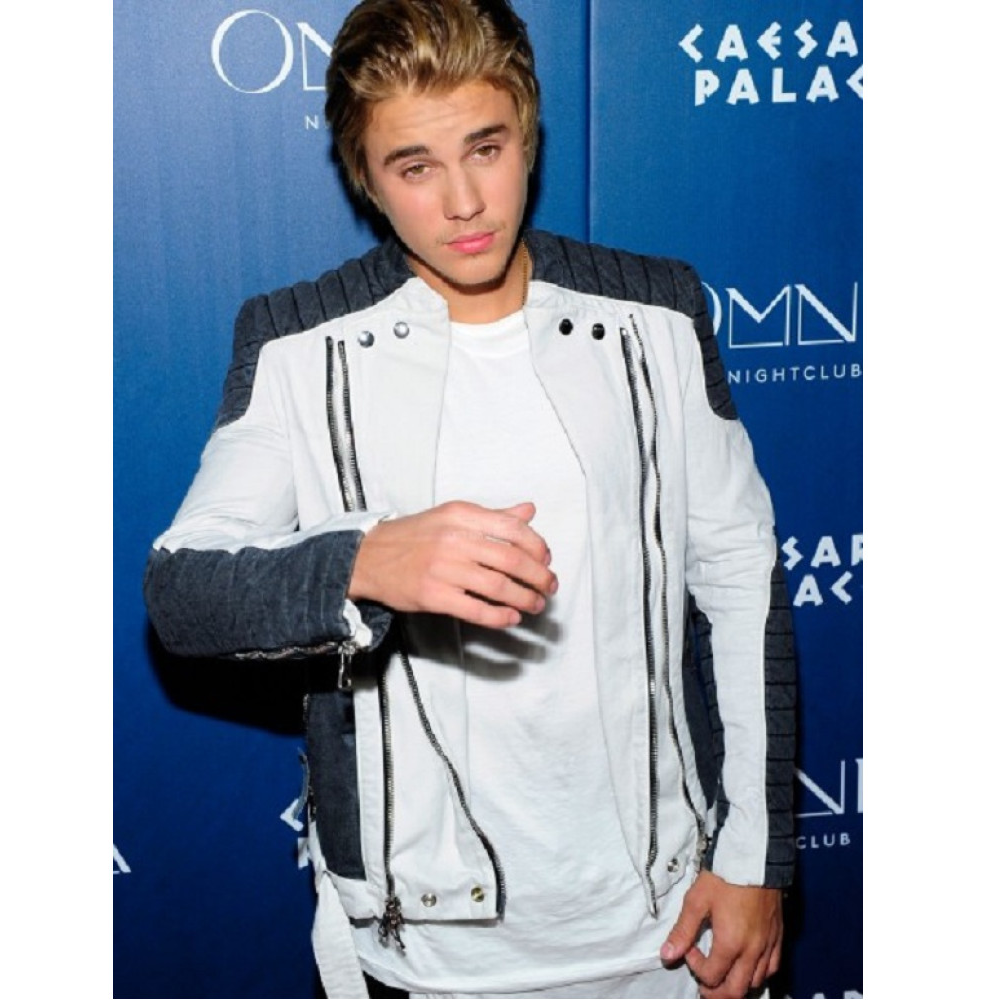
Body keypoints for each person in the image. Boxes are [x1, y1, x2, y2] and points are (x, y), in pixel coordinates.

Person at [144, 1, 796, 997]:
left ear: (527, 137)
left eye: (486, 149)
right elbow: (183, 594)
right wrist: (364, 561)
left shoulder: (655, 313)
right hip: (424, 945)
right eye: (414, 168)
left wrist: (754, 858)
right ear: (366, 181)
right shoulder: (296, 345)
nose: (463, 201)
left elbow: (740, 577)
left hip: (666, 923)